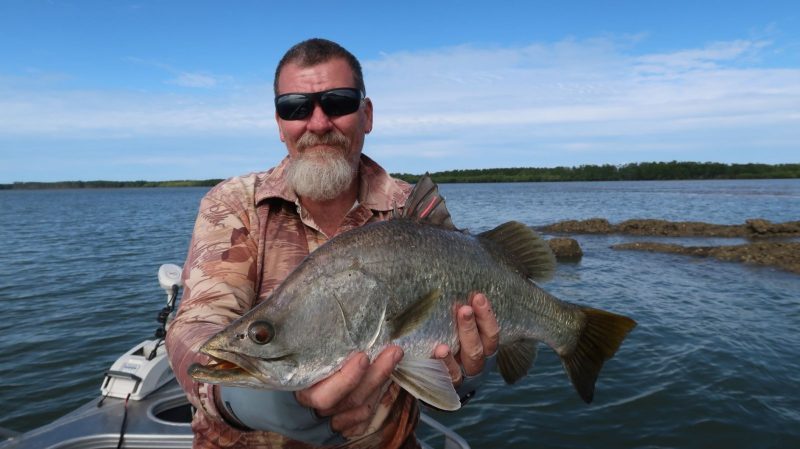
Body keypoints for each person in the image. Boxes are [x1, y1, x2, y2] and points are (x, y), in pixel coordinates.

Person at [166, 38, 499, 449]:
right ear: (279, 123)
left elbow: (446, 379)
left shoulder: (413, 212)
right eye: (295, 107)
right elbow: (196, 323)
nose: (319, 123)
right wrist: (260, 403)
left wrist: (470, 374)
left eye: (338, 103)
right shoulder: (234, 204)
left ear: (367, 115)